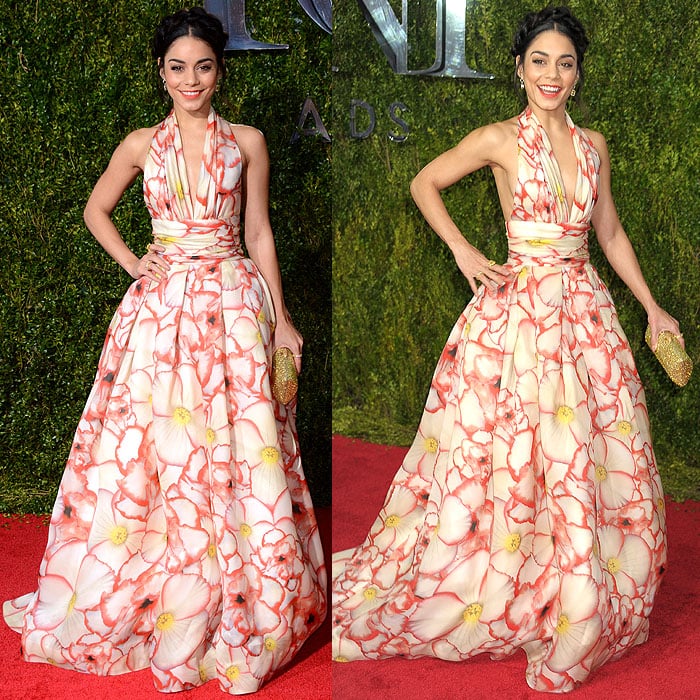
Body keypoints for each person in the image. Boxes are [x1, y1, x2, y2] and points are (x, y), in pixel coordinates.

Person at [332, 5, 680, 693]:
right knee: (512, 459)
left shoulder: (594, 147)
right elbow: (422, 182)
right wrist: (463, 247)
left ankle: (578, 588)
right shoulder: (496, 137)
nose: (552, 74)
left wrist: (650, 305)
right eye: (540, 61)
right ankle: (509, 574)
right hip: (517, 321)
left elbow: (608, 234)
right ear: (520, 69)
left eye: (566, 63)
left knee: (590, 456)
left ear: (578, 76)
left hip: (585, 318)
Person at [3, 7, 326, 695]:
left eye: (203, 66)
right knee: (158, 456)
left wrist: (282, 321)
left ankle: (239, 598)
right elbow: (95, 210)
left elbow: (261, 234)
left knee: (240, 450)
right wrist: (135, 264)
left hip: (235, 306)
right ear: (161, 72)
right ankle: (163, 592)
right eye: (177, 67)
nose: (191, 79)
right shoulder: (138, 145)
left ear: (220, 70)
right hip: (159, 316)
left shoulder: (248, 141)